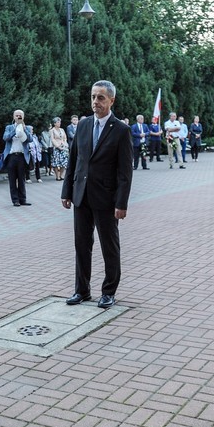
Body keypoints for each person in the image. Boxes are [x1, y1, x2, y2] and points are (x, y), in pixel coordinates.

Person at [61, 80, 133, 309]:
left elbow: (125, 172)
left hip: (107, 199)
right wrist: (67, 192)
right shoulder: (82, 125)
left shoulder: (121, 130)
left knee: (109, 247)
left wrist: (121, 203)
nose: (95, 102)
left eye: (101, 97)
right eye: (93, 97)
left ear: (112, 100)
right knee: (81, 245)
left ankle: (109, 292)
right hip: (81, 196)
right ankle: (81, 290)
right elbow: (74, 161)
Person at [1, 109, 32, 206]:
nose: (18, 117)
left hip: (22, 156)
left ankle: (23, 199)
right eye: (16, 115)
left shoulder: (26, 127)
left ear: (23, 117)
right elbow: (5, 138)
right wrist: (15, 130)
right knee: (12, 179)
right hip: (11, 156)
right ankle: (15, 200)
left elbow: (30, 139)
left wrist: (23, 128)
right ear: (13, 117)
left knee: (22, 179)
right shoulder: (9, 127)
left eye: (20, 116)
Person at [50, 117, 69, 181]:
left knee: (64, 162)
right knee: (56, 162)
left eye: (60, 122)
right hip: (56, 147)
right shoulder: (52, 130)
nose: (59, 123)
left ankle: (61, 175)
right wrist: (58, 146)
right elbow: (52, 139)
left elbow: (65, 138)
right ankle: (57, 176)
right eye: (58, 122)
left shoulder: (62, 130)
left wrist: (64, 144)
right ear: (54, 123)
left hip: (63, 147)